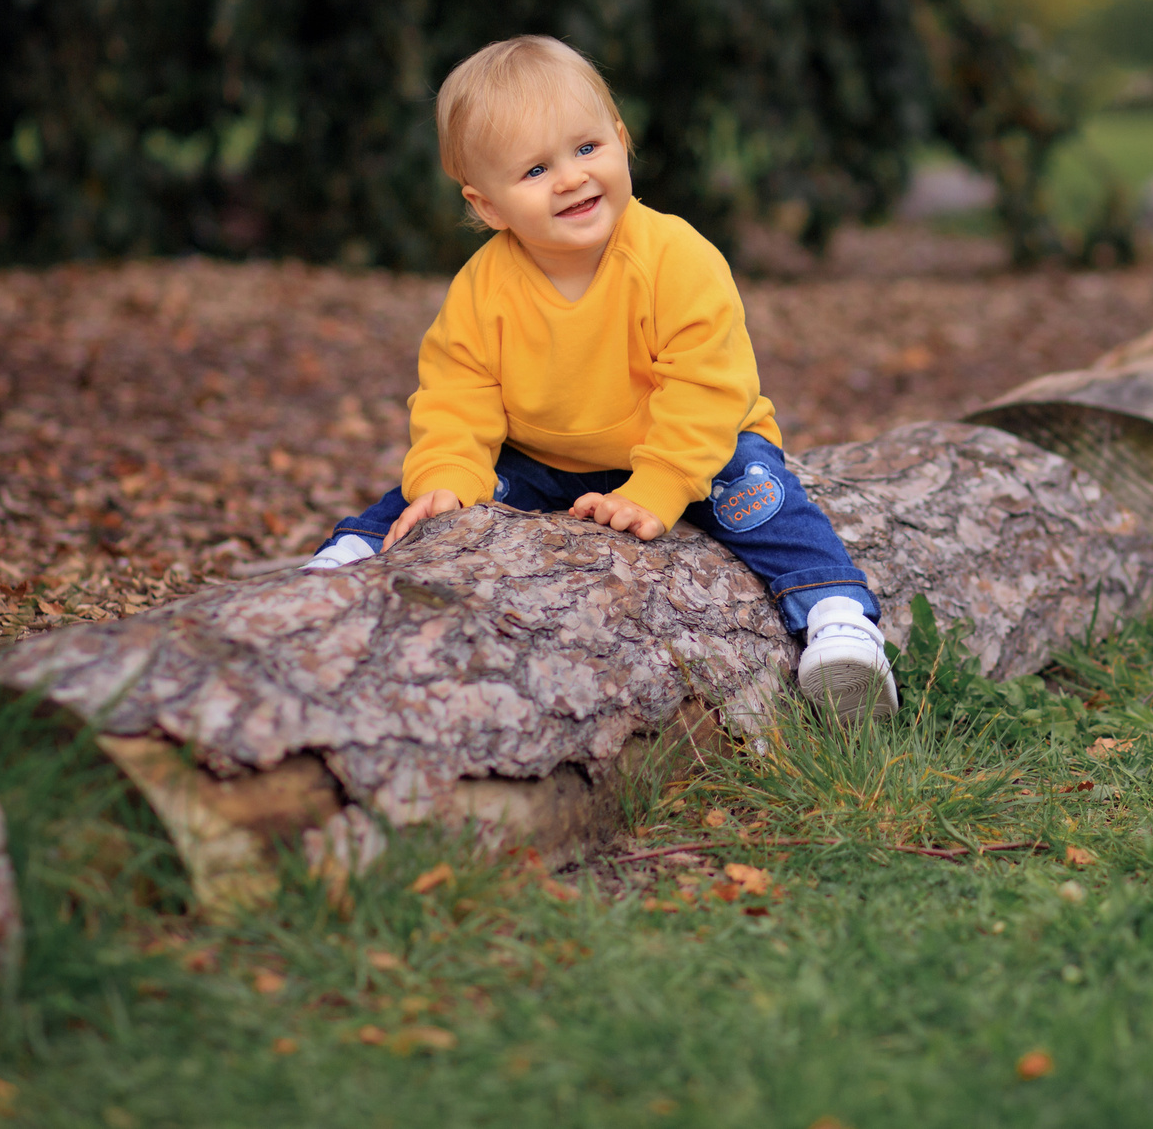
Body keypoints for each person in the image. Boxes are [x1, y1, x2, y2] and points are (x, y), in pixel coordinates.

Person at [303, 35, 896, 721]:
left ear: (621, 139)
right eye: (533, 169)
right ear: (487, 204)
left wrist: (661, 483)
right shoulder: (482, 287)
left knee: (763, 499)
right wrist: (448, 477)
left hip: (690, 445)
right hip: (544, 462)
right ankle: (346, 557)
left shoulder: (675, 256)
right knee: (425, 494)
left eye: (587, 149)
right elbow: (455, 395)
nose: (571, 178)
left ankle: (838, 617)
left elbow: (707, 385)